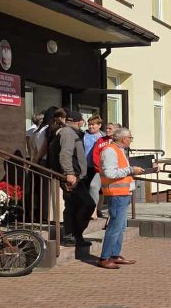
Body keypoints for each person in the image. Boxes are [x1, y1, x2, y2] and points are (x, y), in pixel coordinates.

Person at [98, 127, 153, 269]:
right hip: (116, 193)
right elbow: (110, 173)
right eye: (130, 138)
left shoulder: (120, 150)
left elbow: (123, 169)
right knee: (114, 227)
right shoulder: (110, 151)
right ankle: (105, 258)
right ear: (123, 139)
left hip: (123, 192)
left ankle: (114, 255)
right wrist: (131, 170)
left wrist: (149, 167)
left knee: (120, 227)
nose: (131, 140)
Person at [54, 109, 96, 248]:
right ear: (79, 122)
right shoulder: (68, 133)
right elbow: (65, 154)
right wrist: (69, 173)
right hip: (72, 178)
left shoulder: (71, 132)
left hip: (76, 176)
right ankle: (73, 235)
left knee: (73, 206)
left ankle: (74, 236)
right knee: (87, 204)